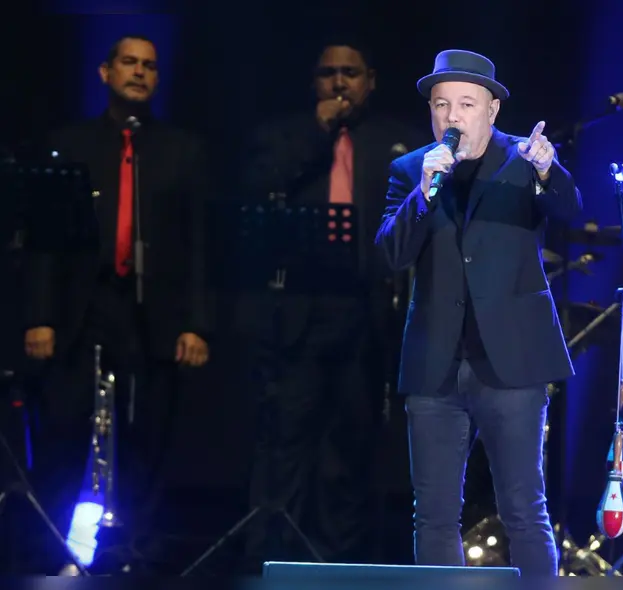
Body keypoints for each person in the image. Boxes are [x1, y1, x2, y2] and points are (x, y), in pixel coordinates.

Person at [376, 49, 582, 577]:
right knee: (435, 516)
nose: (452, 116)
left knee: (523, 508)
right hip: (435, 363)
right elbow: (390, 253)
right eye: (441, 105)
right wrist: (422, 194)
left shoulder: (523, 162)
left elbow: (572, 217)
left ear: (491, 111)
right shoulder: (411, 169)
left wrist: (548, 170)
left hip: (512, 361)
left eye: (466, 104)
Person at [21, 35, 211, 573]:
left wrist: (196, 324)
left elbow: (197, 243)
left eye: (150, 65)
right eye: (129, 62)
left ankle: (132, 552)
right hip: (83, 304)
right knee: (62, 427)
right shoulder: (69, 144)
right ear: (105, 72)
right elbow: (44, 240)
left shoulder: (182, 150)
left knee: (147, 432)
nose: (140, 72)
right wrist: (40, 315)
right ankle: (50, 548)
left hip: (151, 308)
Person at [235, 39, 426, 567]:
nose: (339, 82)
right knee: (285, 449)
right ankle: (272, 562)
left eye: (350, 72)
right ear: (313, 82)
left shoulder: (397, 144)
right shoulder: (281, 137)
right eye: (328, 74)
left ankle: (337, 565)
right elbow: (256, 193)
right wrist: (318, 134)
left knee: (350, 451)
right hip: (296, 313)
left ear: (371, 80)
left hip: (366, 316)